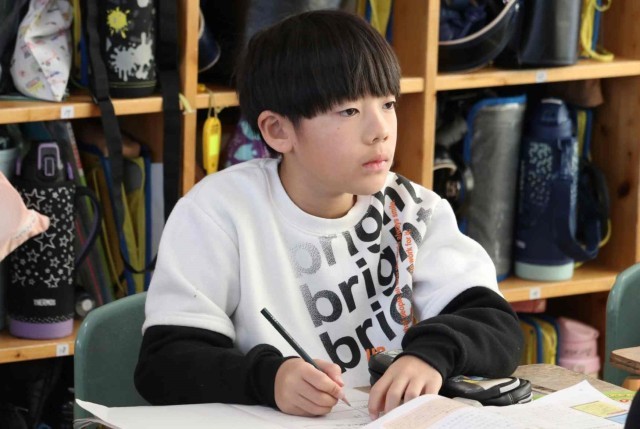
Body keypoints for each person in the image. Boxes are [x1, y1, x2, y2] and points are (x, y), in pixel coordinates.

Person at [134, 9, 523, 420]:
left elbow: (496, 325)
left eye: (388, 103)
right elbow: (163, 365)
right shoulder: (219, 212)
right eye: (349, 111)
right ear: (278, 131)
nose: (380, 129)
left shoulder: (413, 210)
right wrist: (269, 378)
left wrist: (431, 356)